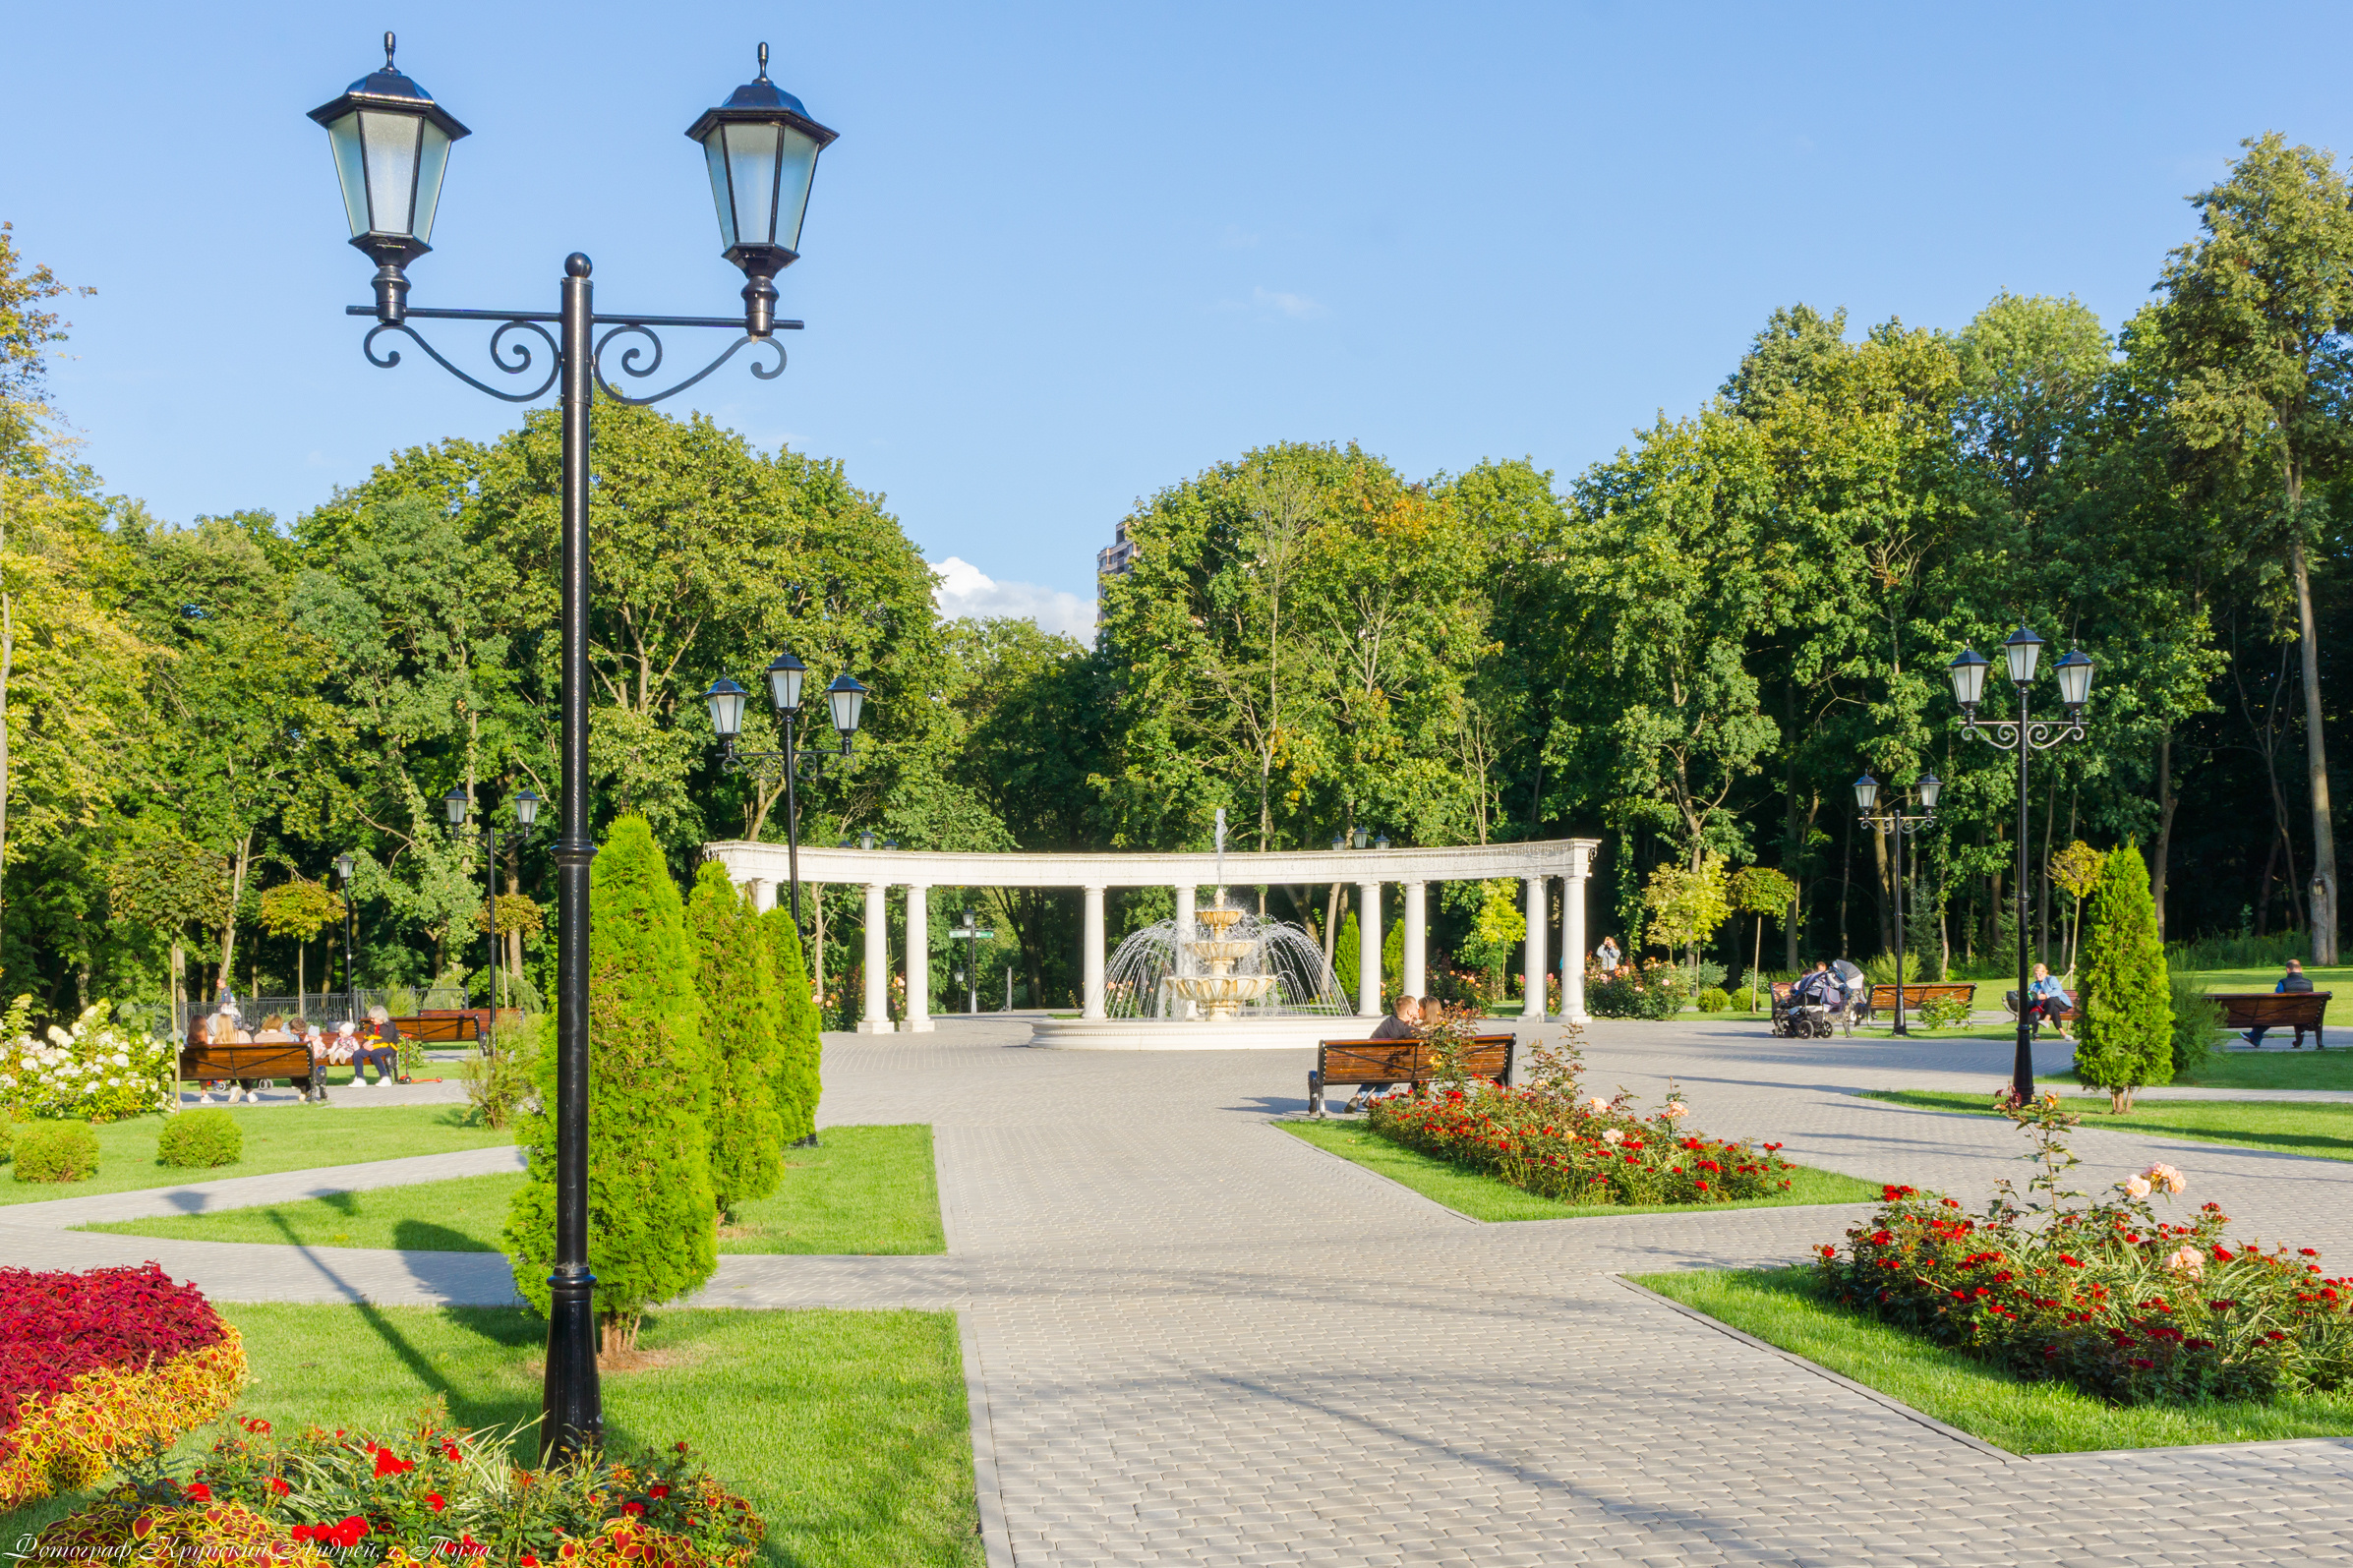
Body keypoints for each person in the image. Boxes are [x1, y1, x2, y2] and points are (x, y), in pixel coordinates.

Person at [1345, 995, 1423, 1113]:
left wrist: (1411, 1020)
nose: (1418, 1010)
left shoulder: (1389, 1021)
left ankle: (1358, 1096)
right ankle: (1375, 1097)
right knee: (1392, 1072)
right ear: (1409, 1011)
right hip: (1388, 1068)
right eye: (1416, 1008)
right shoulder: (1405, 1029)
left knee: (1379, 1073)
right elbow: (1422, 1035)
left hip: (1371, 1064)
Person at [2242, 958, 2316, 1048]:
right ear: (2300, 969)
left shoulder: (2283, 983)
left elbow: (2275, 1001)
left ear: (2288, 970)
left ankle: (2255, 1037)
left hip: (2283, 1016)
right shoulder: (2309, 983)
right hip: (2304, 1015)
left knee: (2266, 1013)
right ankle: (2255, 1036)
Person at [350, 1005, 406, 1087]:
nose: (371, 1020)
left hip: (388, 1047)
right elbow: (367, 1037)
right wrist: (365, 1045)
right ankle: (360, 1079)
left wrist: (373, 1042)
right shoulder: (372, 1026)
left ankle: (385, 1078)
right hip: (373, 1047)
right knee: (357, 1054)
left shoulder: (390, 1025)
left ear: (380, 1017)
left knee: (375, 1054)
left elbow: (388, 1039)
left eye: (373, 1018)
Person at [2025, 962, 2073, 1038]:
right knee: (2054, 1009)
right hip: (2047, 1007)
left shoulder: (2051, 979)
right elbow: (2031, 998)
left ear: (2045, 972)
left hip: (2061, 1003)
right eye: (2035, 974)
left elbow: (2058, 990)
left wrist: (2045, 995)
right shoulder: (2033, 985)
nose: (2037, 976)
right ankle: (2063, 1033)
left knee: (2050, 999)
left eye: (2040, 974)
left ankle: (2046, 1020)